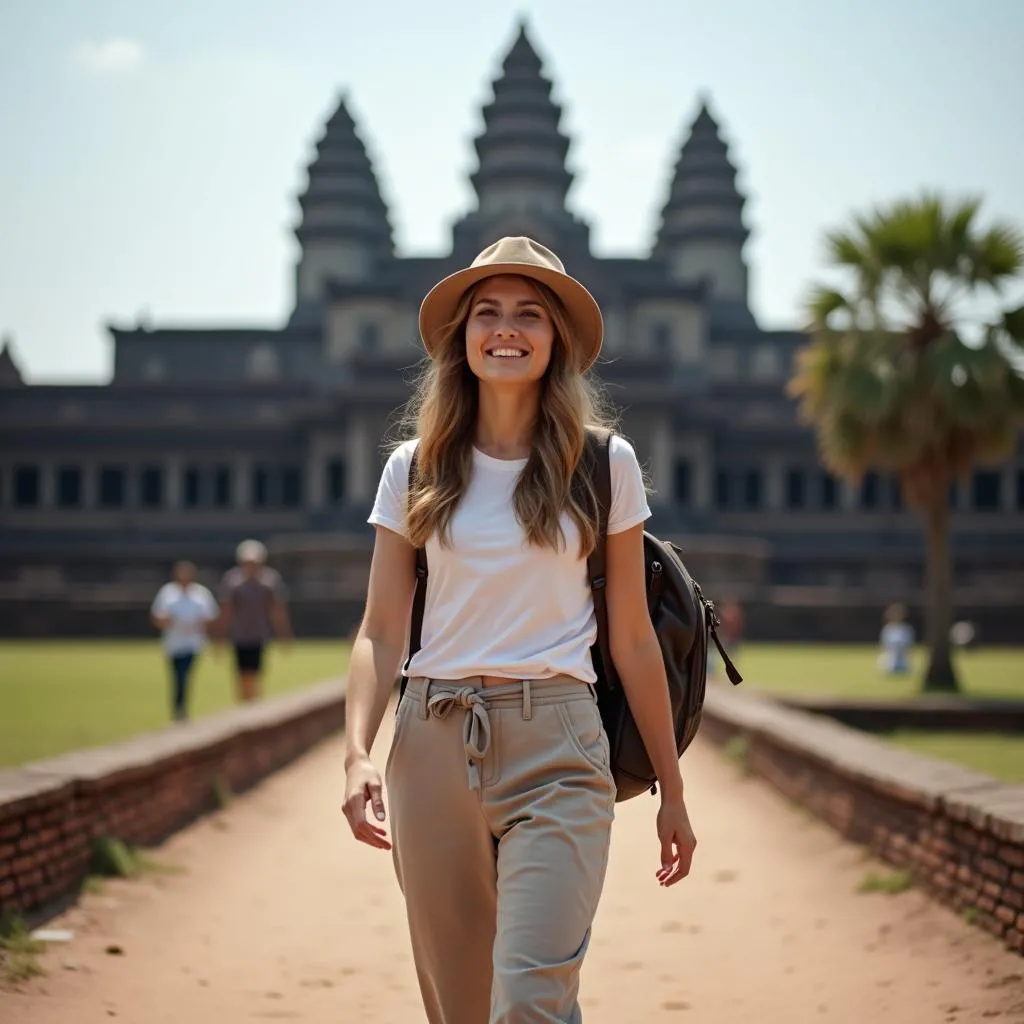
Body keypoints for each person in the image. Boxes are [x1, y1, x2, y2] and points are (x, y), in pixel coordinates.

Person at [342, 236, 698, 1024]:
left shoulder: (606, 463)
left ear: (556, 340)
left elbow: (634, 639)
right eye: (488, 313)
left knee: (533, 998)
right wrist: (357, 755)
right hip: (432, 742)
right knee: (462, 1007)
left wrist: (672, 788)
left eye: (529, 314)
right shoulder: (414, 467)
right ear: (462, 339)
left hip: (561, 745)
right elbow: (381, 629)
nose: (507, 329)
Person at [216, 539, 292, 701]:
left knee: (256, 675)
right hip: (239, 636)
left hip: (259, 636)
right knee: (242, 676)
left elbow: (277, 611)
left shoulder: (270, 581)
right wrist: (220, 638)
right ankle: (244, 705)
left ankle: (253, 706)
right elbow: (226, 612)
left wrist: (283, 635)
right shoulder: (233, 581)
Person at [149, 560, 219, 721]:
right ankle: (179, 707)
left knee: (185, 674)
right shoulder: (167, 592)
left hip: (193, 642)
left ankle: (181, 707)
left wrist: (196, 622)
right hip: (173, 642)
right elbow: (157, 616)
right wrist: (169, 621)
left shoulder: (201, 593)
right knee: (177, 675)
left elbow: (211, 616)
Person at [878, 602, 915, 675]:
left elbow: (910, 647)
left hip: (903, 660)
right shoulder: (887, 629)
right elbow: (884, 646)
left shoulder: (907, 629)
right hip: (890, 660)